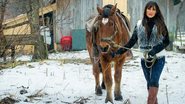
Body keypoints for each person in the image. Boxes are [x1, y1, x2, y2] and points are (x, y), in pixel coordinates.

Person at [113, 1, 170, 104]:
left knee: (153, 82)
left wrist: (155, 50)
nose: (151, 11)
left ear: (156, 11)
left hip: (158, 59)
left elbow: (166, 41)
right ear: (145, 10)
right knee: (149, 84)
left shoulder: (161, 24)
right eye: (149, 8)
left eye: (153, 9)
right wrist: (119, 51)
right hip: (144, 60)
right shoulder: (139, 24)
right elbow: (131, 42)